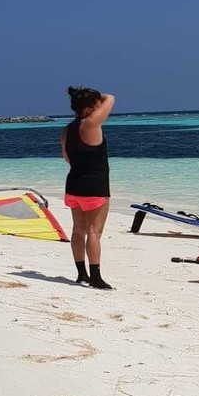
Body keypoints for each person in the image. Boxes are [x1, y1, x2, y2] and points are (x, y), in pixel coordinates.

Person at [61, 86, 115, 289]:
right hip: (95, 186)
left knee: (78, 230)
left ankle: (81, 274)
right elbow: (111, 97)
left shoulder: (68, 129)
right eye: (96, 106)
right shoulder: (90, 124)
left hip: (74, 184)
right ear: (90, 109)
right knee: (94, 232)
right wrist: (97, 99)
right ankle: (96, 277)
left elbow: (66, 157)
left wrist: (84, 99)